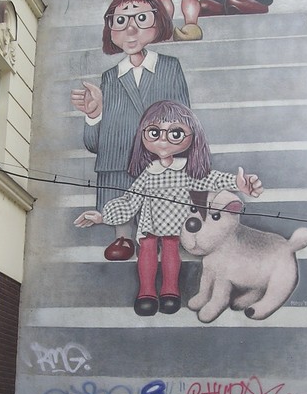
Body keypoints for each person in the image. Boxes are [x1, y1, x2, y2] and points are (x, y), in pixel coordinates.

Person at [75, 100, 262, 315]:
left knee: (171, 251)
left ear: (192, 137)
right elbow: (130, 200)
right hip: (150, 224)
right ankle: (146, 292)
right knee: (147, 250)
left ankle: (170, 292)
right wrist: (103, 216)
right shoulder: (149, 172)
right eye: (154, 133)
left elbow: (212, 178)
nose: (163, 140)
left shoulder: (187, 171)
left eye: (175, 134)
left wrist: (237, 183)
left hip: (176, 225)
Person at [70, 0, 190, 262]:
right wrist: (93, 114)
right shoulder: (109, 78)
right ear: (111, 28)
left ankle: (158, 233)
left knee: (160, 183)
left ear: (157, 20)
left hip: (157, 156)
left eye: (141, 18)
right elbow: (95, 144)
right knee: (115, 171)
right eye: (121, 20)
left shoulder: (169, 67)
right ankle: (122, 234)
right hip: (118, 160)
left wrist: (175, 147)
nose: (131, 29)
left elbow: (184, 117)